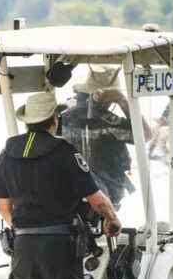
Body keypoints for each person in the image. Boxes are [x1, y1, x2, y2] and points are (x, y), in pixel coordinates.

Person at [0, 91, 122, 279]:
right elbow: (96, 200)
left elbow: (3, 208)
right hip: (59, 246)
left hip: (22, 246)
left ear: (28, 121)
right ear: (55, 119)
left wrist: (25, 230)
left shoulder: (6, 154)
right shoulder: (64, 152)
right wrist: (112, 219)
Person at [62, 65, 151, 209]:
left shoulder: (63, 118)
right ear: (103, 96)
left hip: (70, 190)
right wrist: (122, 101)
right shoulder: (106, 120)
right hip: (106, 193)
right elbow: (145, 135)